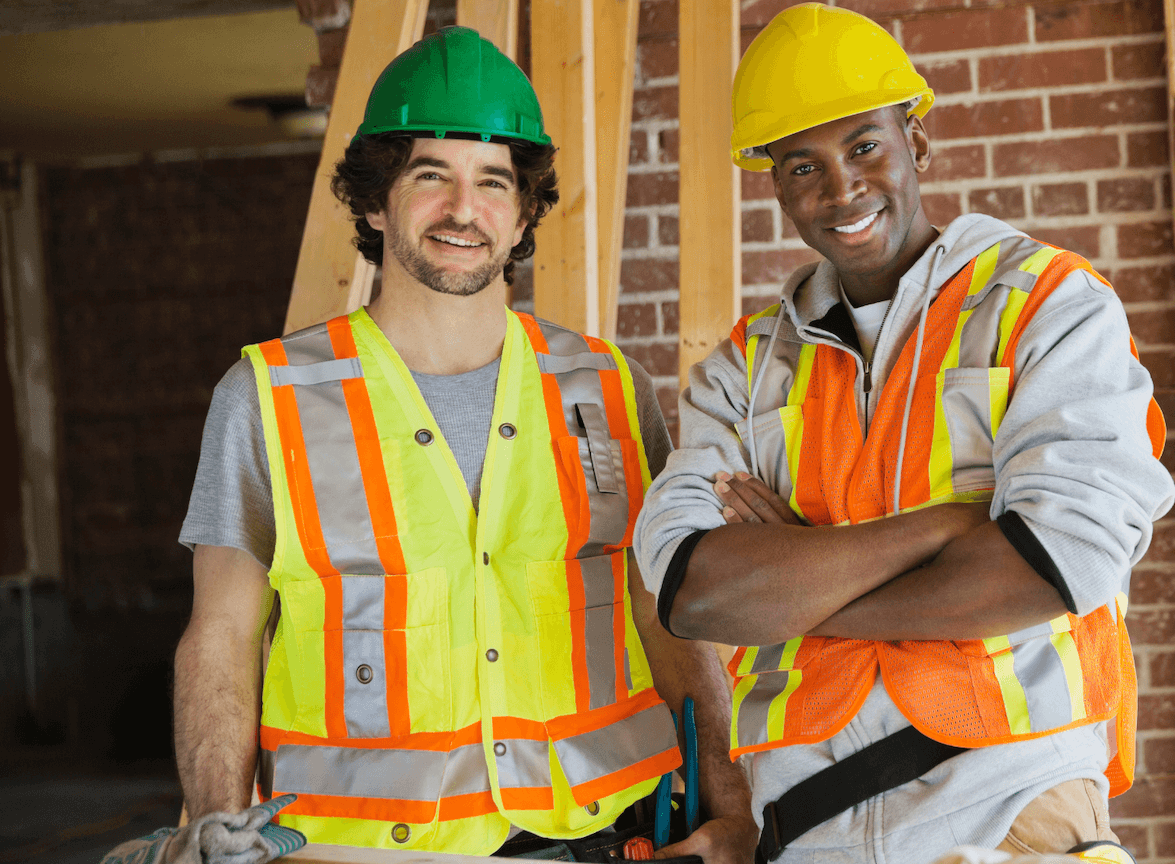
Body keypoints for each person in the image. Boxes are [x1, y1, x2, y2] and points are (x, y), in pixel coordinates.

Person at [173, 27, 753, 861]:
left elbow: (667, 613)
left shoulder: (607, 388)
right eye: (429, 176)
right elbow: (221, 636)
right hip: (359, 849)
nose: (462, 208)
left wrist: (728, 807)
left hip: (606, 835)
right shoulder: (266, 399)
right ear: (375, 201)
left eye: (492, 182)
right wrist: (211, 829)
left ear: (522, 216)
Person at [632, 5, 1175, 863]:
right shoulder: (742, 368)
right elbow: (695, 594)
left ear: (916, 143)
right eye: (803, 165)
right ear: (775, 185)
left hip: (1012, 811)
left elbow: (1054, 560)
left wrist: (799, 596)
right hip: (808, 829)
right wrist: (947, 528)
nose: (841, 190)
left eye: (866, 146)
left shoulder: (1047, 307)